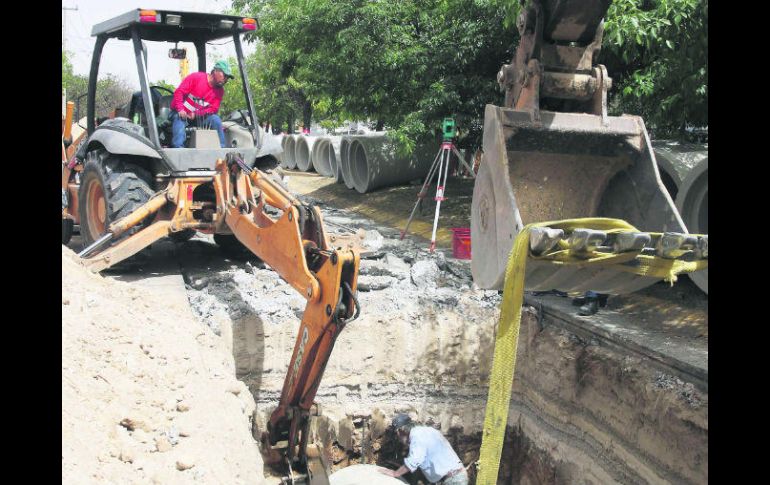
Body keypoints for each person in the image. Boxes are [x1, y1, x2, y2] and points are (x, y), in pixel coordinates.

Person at [379, 414, 468, 485]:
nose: (399, 440)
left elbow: (414, 460)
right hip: (455, 477)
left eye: (397, 436)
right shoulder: (427, 431)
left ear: (400, 431)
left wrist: (395, 473)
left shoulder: (417, 436)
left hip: (453, 480)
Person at [169, 59, 234, 148]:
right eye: (225, 75)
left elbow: (213, 109)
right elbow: (179, 92)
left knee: (215, 119)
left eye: (228, 77)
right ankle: (178, 149)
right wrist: (180, 109)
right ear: (215, 71)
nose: (226, 79)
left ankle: (222, 150)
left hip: (198, 118)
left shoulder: (220, 91)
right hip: (179, 112)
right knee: (180, 118)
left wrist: (195, 114)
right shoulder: (196, 78)